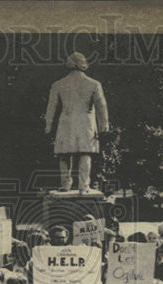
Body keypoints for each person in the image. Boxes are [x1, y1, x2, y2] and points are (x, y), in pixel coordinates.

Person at [45, 52, 109, 193]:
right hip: (86, 122)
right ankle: (84, 185)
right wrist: (104, 124)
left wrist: (48, 124)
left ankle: (65, 184)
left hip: (66, 121)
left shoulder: (58, 84)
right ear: (83, 64)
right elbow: (101, 106)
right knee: (85, 153)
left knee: (64, 154)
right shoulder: (94, 84)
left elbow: (51, 106)